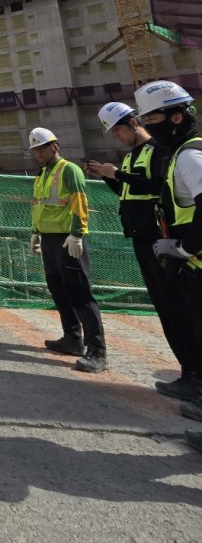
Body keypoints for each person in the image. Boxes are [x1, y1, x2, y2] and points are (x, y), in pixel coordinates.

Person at [87, 102, 202, 400]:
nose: (117, 137)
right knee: (166, 308)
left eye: (118, 131)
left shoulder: (158, 151)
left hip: (159, 237)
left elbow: (157, 186)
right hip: (141, 239)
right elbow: (128, 194)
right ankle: (188, 372)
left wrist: (118, 175)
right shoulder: (129, 158)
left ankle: (194, 375)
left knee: (179, 307)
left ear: (133, 123)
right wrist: (110, 176)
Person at [133, 80, 202, 452]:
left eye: (153, 117)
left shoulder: (190, 156)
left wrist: (184, 248)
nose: (149, 124)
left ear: (177, 116)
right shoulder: (178, 154)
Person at [28, 127, 108, 373]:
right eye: (35, 150)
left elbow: (79, 203)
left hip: (67, 240)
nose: (39, 153)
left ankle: (97, 351)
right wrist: (35, 231)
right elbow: (39, 206)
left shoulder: (69, 170)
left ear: (55, 146)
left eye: (42, 148)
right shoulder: (42, 175)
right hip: (50, 240)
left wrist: (77, 234)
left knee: (80, 294)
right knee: (59, 291)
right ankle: (72, 338)